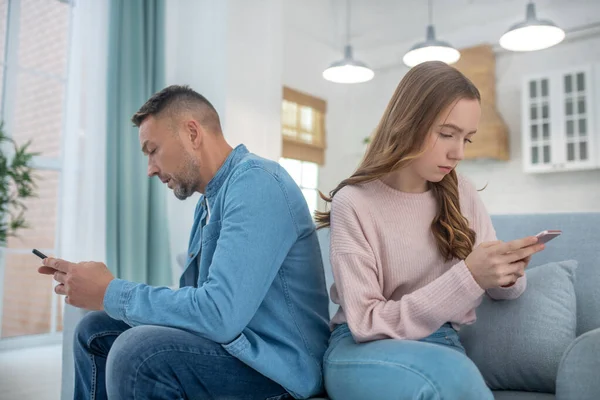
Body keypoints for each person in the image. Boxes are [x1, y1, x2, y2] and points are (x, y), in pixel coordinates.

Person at [38, 85, 331, 400]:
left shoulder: (257, 182)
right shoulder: (207, 204)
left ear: (193, 133)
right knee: (94, 330)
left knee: (138, 355)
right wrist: (103, 295)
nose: (150, 169)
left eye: (153, 150)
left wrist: (112, 292)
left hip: (279, 371)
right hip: (238, 350)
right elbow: (195, 305)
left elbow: (218, 316)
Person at [314, 61, 546, 400]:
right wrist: (470, 276)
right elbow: (365, 323)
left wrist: (506, 273)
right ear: (409, 122)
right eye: (447, 134)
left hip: (441, 343)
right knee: (452, 376)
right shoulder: (354, 202)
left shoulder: (461, 191)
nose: (459, 152)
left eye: (467, 138)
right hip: (361, 348)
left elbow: (503, 292)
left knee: (453, 374)